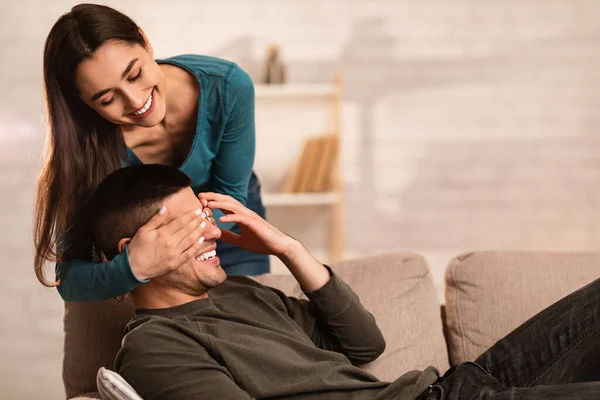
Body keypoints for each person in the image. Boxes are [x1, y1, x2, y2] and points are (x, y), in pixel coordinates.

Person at [89, 164, 600, 400]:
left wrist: (289, 249)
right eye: (183, 224)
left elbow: (365, 343)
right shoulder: (154, 345)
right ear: (132, 250)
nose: (210, 231)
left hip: (454, 385)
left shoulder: (241, 293)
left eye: (205, 214)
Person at [33, 3, 269, 303]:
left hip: (229, 227)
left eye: (135, 74)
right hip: (149, 256)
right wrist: (135, 266)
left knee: (257, 322)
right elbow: (68, 280)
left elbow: (231, 198)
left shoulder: (228, 86)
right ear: (85, 103)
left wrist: (182, 239)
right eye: (107, 99)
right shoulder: (82, 153)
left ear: (144, 40)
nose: (135, 101)